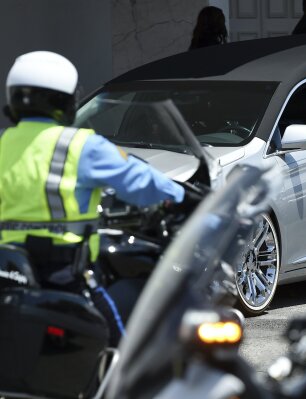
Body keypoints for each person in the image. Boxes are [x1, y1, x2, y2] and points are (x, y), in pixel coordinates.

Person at [0, 51, 200, 345]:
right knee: (120, 349)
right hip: (63, 275)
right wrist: (184, 195)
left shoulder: (4, 142)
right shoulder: (80, 145)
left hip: (9, 271)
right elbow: (140, 181)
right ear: (65, 102)